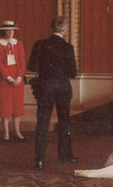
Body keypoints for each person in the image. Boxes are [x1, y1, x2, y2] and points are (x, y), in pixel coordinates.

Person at [28, 16, 78, 170]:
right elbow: (73, 73)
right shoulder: (68, 47)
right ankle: (64, 156)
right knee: (64, 122)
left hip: (45, 88)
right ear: (65, 30)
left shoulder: (40, 44)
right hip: (62, 88)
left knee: (42, 123)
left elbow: (31, 66)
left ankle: (39, 160)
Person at [0, 21, 26, 142]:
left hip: (17, 79)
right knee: (5, 106)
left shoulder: (19, 43)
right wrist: (8, 78)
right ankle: (6, 132)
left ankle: (17, 130)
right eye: (7, 30)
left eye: (12, 31)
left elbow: (22, 62)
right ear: (3, 31)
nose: (10, 33)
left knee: (17, 106)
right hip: (4, 79)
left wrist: (18, 77)